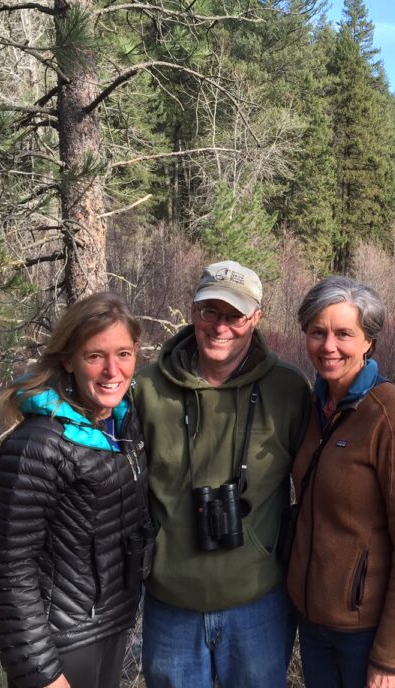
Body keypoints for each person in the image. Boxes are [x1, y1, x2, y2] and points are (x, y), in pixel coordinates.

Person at [133, 260, 312, 688]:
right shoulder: (146, 389)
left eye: (235, 315)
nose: (220, 327)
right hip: (171, 605)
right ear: (193, 311)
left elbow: (316, 489)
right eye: (210, 311)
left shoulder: (288, 389)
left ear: (256, 318)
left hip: (258, 604)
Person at [0, 292, 152, 688]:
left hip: (110, 624)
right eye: (95, 356)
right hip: (62, 642)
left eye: (124, 354)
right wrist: (40, 672)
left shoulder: (123, 422)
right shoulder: (37, 445)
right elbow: (10, 567)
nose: (112, 370)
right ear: (68, 360)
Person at [287, 276, 395, 688]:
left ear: (368, 340)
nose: (328, 346)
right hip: (315, 627)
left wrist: (390, 657)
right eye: (318, 332)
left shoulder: (392, 416)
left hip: (368, 634)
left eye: (343, 334)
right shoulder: (315, 405)